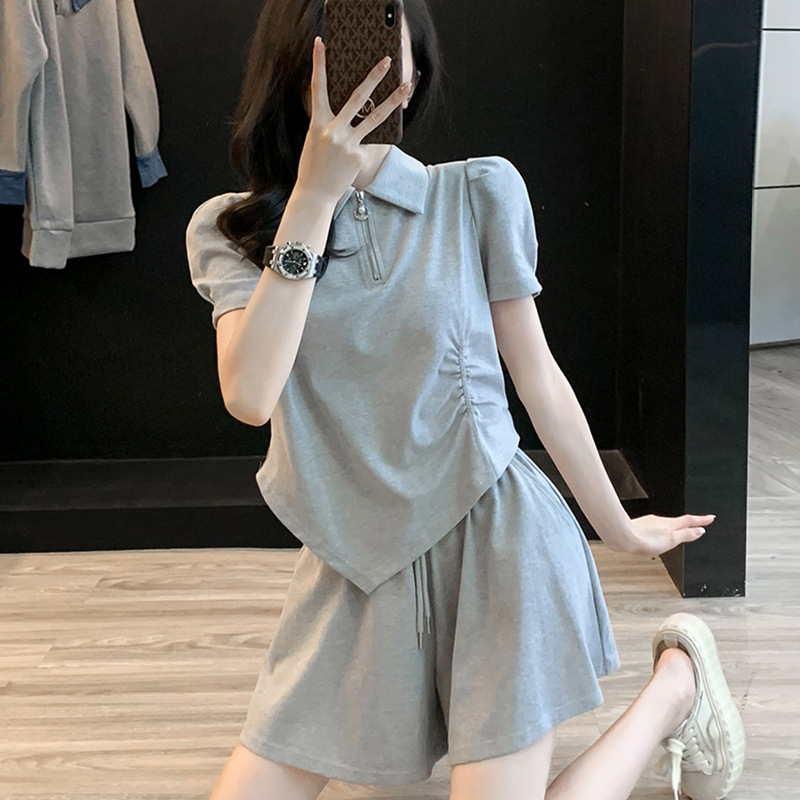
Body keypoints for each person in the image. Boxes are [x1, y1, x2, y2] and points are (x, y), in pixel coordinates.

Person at [185, 1, 746, 798]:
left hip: (499, 539)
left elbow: (538, 376)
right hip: (356, 558)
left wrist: (616, 526)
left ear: (414, 73)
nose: (372, 62)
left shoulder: (478, 192)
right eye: (346, 34)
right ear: (294, 59)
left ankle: (674, 690)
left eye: (389, 37)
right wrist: (311, 199)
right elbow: (249, 394)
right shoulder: (231, 228)